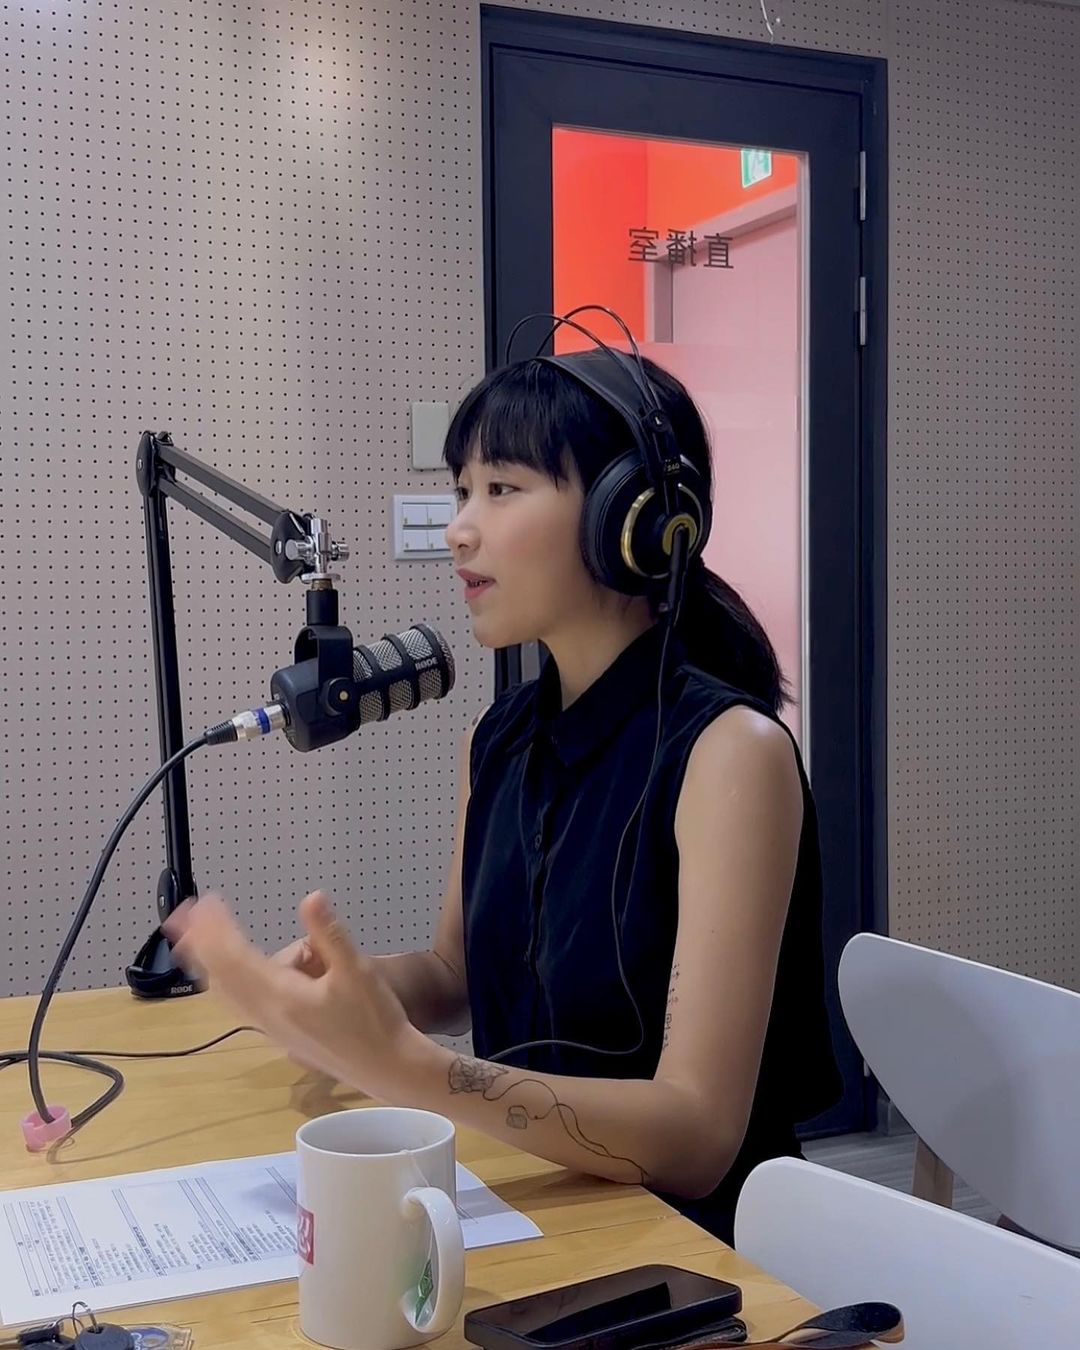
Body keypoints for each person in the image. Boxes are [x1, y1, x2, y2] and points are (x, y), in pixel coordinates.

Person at [166, 349, 841, 1245]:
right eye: (460, 491)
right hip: (540, 1198)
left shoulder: (731, 756)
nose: (459, 529)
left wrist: (411, 1070)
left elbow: (698, 1138)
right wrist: (346, 997)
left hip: (694, 1245)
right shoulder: (498, 737)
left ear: (628, 518)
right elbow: (455, 976)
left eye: (501, 489)